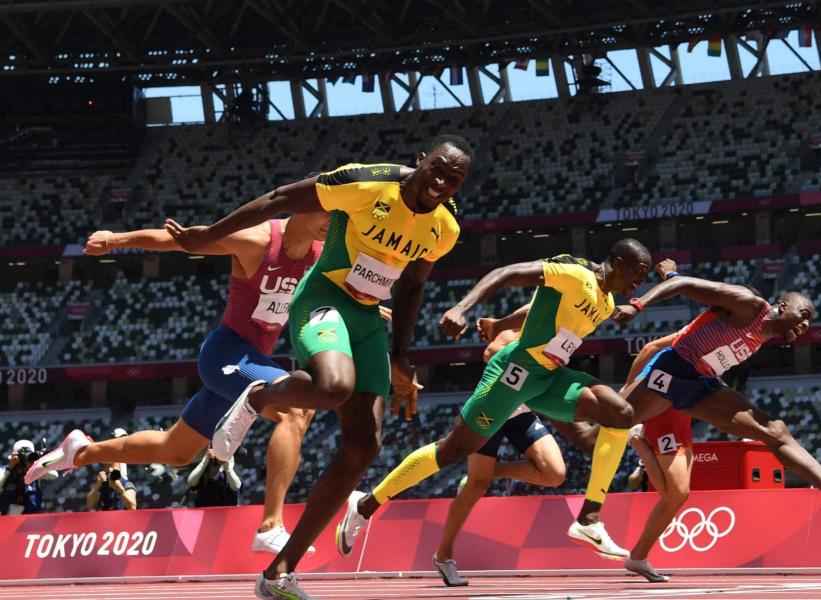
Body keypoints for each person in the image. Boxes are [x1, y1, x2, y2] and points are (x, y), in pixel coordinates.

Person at [166, 135, 474, 600]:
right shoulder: (365, 183)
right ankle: (258, 397)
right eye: (438, 169)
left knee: (363, 448)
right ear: (420, 161)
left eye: (454, 179)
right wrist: (209, 234)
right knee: (333, 386)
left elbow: (411, 287)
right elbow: (279, 199)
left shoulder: (444, 230)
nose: (441, 183)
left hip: (368, 319)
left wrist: (402, 357)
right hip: (323, 299)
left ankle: (278, 574)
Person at [335, 241, 653, 574]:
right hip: (513, 374)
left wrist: (501, 323)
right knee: (451, 451)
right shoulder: (574, 274)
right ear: (617, 262)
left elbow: (536, 314)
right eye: (638, 272)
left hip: (548, 377)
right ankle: (366, 503)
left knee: (620, 412)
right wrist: (463, 307)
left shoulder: (605, 302)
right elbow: (506, 273)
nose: (640, 282)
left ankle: (589, 518)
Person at [26, 213, 326, 553]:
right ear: (303, 207)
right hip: (226, 355)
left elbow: (323, 293)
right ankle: (271, 524)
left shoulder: (321, 252)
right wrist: (114, 239)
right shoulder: (257, 240)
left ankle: (79, 452)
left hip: (249, 366)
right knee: (297, 407)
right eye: (329, 212)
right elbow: (181, 241)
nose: (334, 221)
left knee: (176, 450)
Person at [582, 269, 821, 545]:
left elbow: (686, 288)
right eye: (804, 313)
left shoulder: (761, 337)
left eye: (811, 321)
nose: (807, 323)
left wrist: (672, 276)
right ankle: (544, 401)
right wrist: (640, 303)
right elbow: (689, 286)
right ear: (782, 306)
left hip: (701, 385)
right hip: (672, 370)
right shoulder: (749, 305)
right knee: (593, 438)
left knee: (775, 429)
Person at [432, 315, 595, 587]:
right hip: (493, 406)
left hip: (520, 409)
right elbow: (490, 353)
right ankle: (443, 555)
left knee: (554, 473)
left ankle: (490, 471)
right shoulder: (525, 327)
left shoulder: (565, 334)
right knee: (476, 486)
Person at [0, 440, 56, 515]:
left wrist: (36, 466)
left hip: (33, 519)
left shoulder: (35, 470)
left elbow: (54, 475)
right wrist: (9, 469)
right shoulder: (5, 470)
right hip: (8, 518)